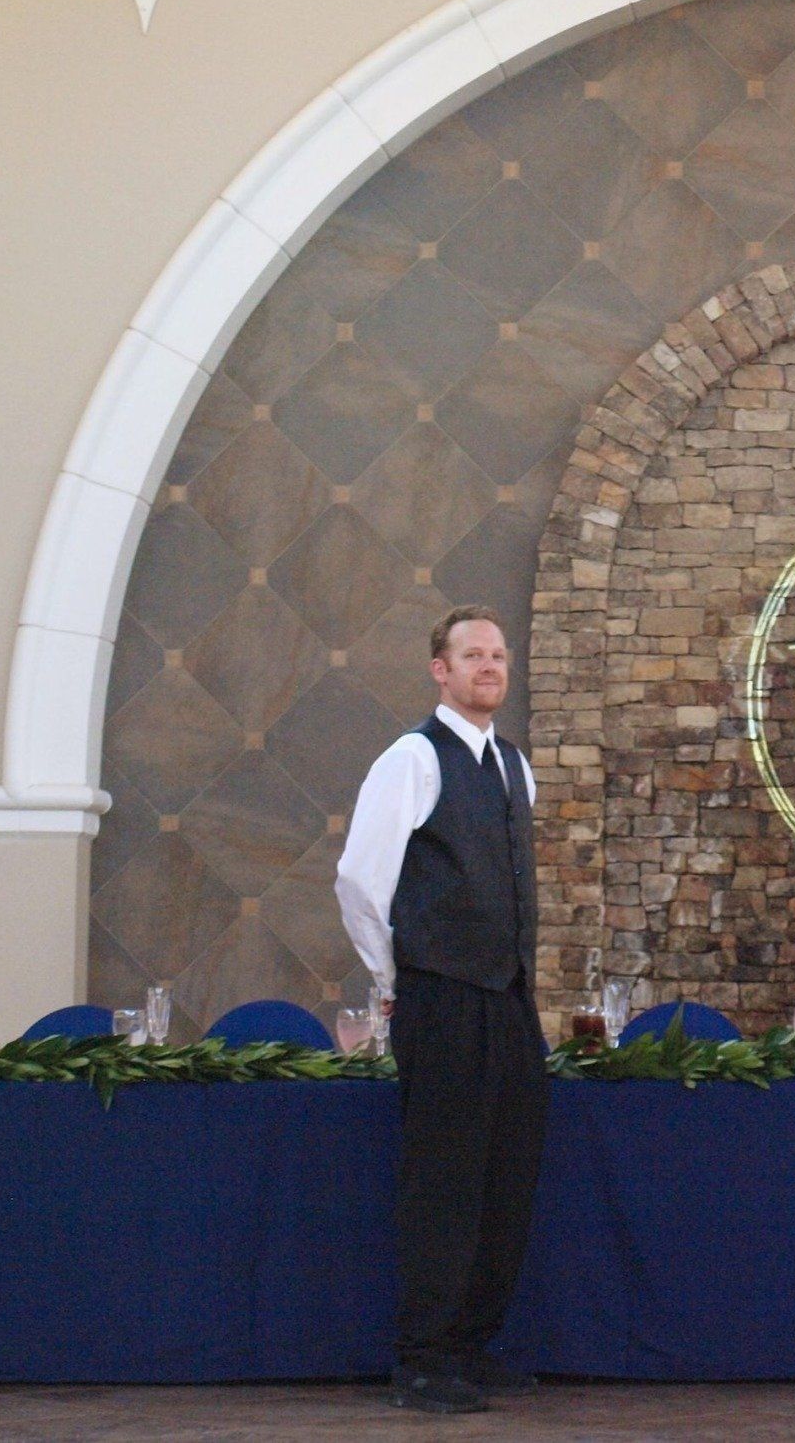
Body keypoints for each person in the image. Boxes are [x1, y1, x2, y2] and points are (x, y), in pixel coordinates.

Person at [336, 605, 547, 1414]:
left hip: (509, 999)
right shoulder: (411, 759)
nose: (490, 666)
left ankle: (470, 1345)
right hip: (442, 997)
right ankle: (423, 1357)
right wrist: (393, 976)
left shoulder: (513, 766)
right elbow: (360, 880)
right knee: (446, 1183)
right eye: (473, 655)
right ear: (441, 670)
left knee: (506, 1177)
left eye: (498, 655)